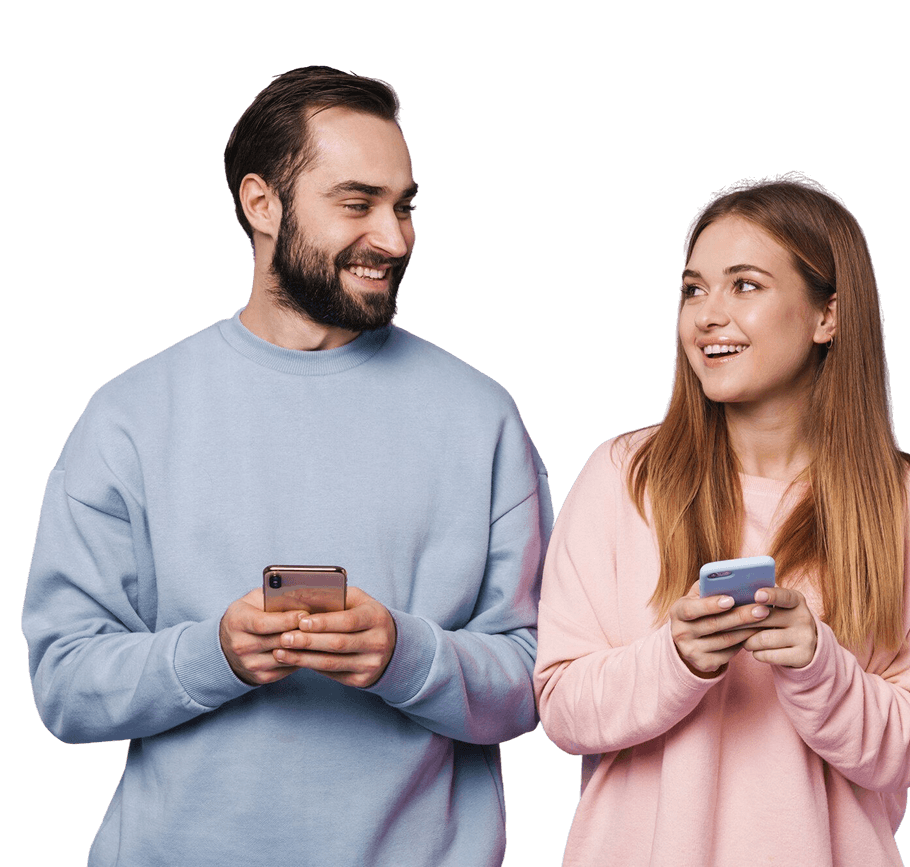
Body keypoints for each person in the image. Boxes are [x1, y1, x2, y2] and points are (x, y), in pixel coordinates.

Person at [23, 66, 553, 867]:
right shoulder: (129, 415)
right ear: (261, 203)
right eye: (357, 203)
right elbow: (63, 680)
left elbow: (539, 674)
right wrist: (219, 654)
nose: (396, 238)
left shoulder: (483, 417)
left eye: (404, 206)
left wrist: (404, 655)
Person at [534, 174, 910, 866]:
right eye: (693, 289)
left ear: (828, 315)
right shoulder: (623, 476)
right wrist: (677, 658)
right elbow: (561, 706)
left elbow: (901, 750)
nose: (707, 315)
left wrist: (816, 663)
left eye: (745, 285)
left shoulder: (899, 503)